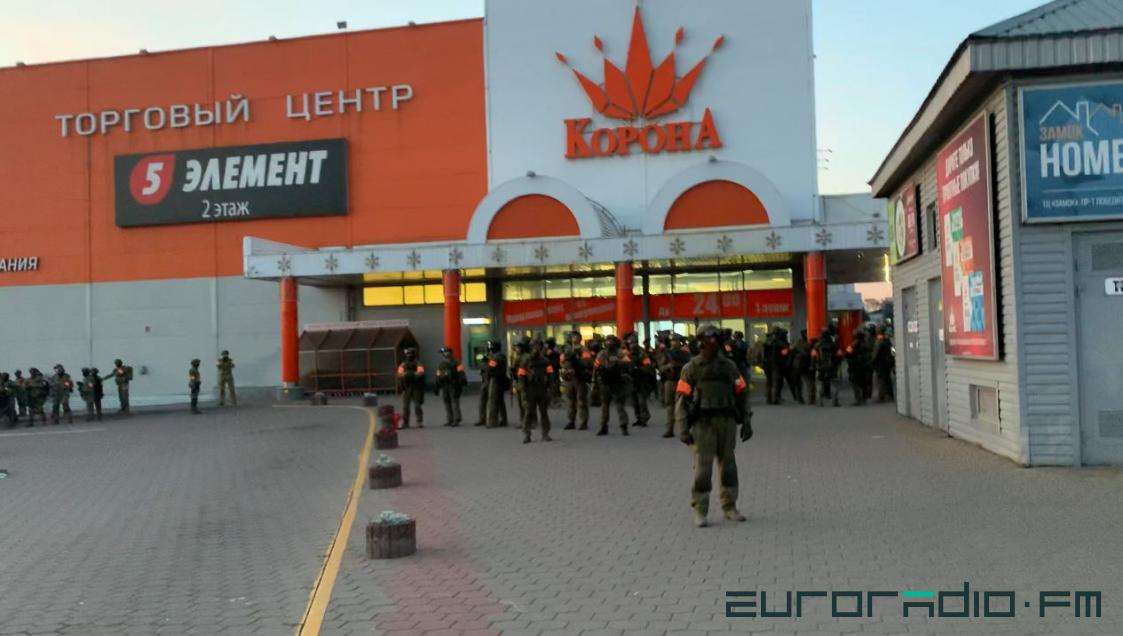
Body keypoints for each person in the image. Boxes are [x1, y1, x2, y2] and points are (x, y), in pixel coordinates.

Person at [675, 325, 752, 528]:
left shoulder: (729, 366)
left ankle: (729, 506)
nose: (710, 344)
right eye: (706, 340)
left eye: (714, 340)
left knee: (729, 467)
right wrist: (682, 427)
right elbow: (681, 400)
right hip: (703, 424)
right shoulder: (691, 368)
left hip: (726, 422)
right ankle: (700, 509)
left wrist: (747, 421)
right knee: (703, 469)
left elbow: (742, 393)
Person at [518, 338, 555, 443]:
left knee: (544, 412)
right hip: (530, 389)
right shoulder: (526, 361)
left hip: (542, 389)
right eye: (534, 346)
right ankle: (527, 434)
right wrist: (523, 389)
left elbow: (551, 376)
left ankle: (545, 434)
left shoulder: (545, 361)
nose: (536, 348)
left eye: (538, 346)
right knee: (529, 412)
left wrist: (551, 389)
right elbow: (521, 375)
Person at [657, 333, 692, 439]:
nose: (674, 343)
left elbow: (690, 366)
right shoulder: (666, 354)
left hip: (682, 381)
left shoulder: (685, 354)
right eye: (672, 341)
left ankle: (684, 430)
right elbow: (660, 367)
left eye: (676, 341)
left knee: (683, 406)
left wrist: (679, 365)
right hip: (670, 381)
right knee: (670, 406)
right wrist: (668, 366)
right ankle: (670, 429)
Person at [594, 334, 630, 436]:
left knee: (619, 405)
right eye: (607, 341)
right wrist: (594, 381)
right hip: (605, 382)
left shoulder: (620, 353)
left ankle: (624, 426)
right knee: (605, 406)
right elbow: (595, 367)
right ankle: (603, 426)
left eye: (611, 341)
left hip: (617, 381)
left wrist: (618, 362)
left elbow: (628, 363)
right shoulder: (602, 353)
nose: (609, 343)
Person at [560, 331, 592, 430]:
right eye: (573, 336)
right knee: (570, 401)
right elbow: (561, 361)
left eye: (576, 336)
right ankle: (571, 421)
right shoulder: (567, 349)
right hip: (569, 378)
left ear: (580, 338)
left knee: (581, 400)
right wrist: (566, 368)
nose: (574, 338)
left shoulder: (584, 349)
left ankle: (583, 422)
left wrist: (578, 360)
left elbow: (587, 362)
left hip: (579, 378)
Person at [624, 332, 653, 428]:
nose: (632, 345)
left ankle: (644, 417)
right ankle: (639, 418)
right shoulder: (628, 354)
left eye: (634, 343)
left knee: (641, 401)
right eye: (631, 343)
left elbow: (648, 365)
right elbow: (624, 365)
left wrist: (639, 369)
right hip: (632, 380)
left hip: (641, 379)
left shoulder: (642, 353)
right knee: (634, 401)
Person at [435, 346, 466, 426]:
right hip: (445, 385)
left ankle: (456, 419)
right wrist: (437, 385)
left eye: (446, 352)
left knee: (454, 402)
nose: (445, 354)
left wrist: (461, 383)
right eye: (444, 353)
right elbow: (438, 374)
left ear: (450, 353)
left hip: (453, 385)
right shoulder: (441, 364)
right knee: (447, 402)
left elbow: (461, 373)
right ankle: (450, 419)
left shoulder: (456, 362)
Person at [396, 347, 425, 428]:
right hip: (406, 387)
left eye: (411, 353)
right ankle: (405, 422)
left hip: (416, 387)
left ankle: (419, 421)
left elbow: (421, 373)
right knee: (405, 406)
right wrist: (406, 375)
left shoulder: (418, 364)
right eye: (408, 354)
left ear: (414, 354)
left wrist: (411, 374)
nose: (409, 355)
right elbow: (399, 374)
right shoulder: (403, 364)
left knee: (417, 405)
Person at [483, 340, 509, 428]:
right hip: (499, 379)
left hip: (496, 380)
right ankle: (503, 419)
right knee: (500, 401)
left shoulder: (497, 357)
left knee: (493, 401)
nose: (490, 349)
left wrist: (487, 361)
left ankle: (492, 421)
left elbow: (490, 368)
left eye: (491, 347)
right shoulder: (499, 356)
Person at [814, 328, 841, 407]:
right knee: (834, 384)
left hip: (820, 367)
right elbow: (839, 355)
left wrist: (814, 365)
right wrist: (836, 364)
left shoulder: (817, 345)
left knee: (820, 383)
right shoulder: (834, 345)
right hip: (832, 367)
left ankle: (820, 402)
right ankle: (835, 401)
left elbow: (813, 356)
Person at [846, 330, 872, 406]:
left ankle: (858, 399)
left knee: (855, 383)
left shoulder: (854, 344)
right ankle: (864, 398)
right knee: (863, 383)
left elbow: (847, 353)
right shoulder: (866, 343)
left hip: (855, 366)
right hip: (865, 366)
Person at [872, 326, 896, 402]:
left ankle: (882, 396)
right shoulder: (887, 339)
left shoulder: (879, 339)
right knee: (887, 379)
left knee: (881, 379)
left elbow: (875, 352)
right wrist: (893, 359)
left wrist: (872, 360)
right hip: (887, 362)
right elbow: (893, 350)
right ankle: (890, 395)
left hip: (880, 363)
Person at [508, 339, 528, 424]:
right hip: (518, 381)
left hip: (525, 382)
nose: (516, 349)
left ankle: (528, 420)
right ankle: (522, 420)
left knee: (525, 403)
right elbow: (514, 369)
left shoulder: (526, 357)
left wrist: (517, 371)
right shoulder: (516, 356)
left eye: (518, 347)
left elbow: (526, 369)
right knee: (520, 403)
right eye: (516, 347)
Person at [790, 330, 812, 405]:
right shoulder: (807, 343)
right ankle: (807, 398)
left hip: (798, 365)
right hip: (803, 365)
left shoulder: (798, 343)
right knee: (806, 382)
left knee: (800, 383)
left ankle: (802, 398)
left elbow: (792, 351)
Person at [587, 335, 604, 408]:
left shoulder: (600, 351)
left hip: (597, 369)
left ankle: (596, 400)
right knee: (594, 386)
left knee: (596, 386)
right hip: (593, 369)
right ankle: (595, 400)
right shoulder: (595, 350)